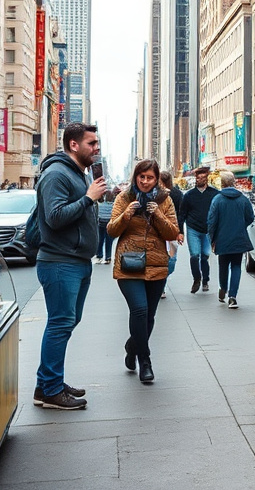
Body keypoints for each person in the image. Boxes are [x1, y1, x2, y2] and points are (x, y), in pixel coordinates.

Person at [33, 122, 106, 410]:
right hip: (60, 262)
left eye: (97, 143)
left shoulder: (77, 173)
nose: (96, 148)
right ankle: (50, 390)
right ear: (74, 145)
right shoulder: (56, 174)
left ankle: (47, 383)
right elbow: (54, 217)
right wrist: (88, 198)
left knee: (67, 322)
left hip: (77, 260)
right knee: (60, 323)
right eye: (91, 143)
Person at [108, 159, 179, 382]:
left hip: (157, 264)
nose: (146, 182)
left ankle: (132, 347)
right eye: (142, 177)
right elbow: (111, 230)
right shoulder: (124, 197)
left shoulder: (165, 200)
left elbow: (172, 233)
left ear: (157, 178)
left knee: (149, 316)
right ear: (135, 177)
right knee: (139, 310)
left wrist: (157, 213)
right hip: (129, 264)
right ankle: (145, 361)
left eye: (150, 178)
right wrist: (127, 214)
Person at [206, 171, 253, 307]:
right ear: (234, 182)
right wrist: (241, 226)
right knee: (237, 266)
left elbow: (211, 221)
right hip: (239, 238)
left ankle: (223, 288)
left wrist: (212, 239)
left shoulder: (217, 199)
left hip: (222, 239)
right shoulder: (243, 199)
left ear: (222, 183)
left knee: (223, 265)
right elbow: (250, 217)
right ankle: (233, 296)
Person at [179, 166, 219, 294]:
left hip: (208, 230)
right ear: (195, 179)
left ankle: (205, 280)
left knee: (205, 256)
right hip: (193, 229)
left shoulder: (215, 194)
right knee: (194, 255)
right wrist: (180, 231)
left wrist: (217, 233)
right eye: (198, 177)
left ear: (207, 178)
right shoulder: (189, 195)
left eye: (203, 177)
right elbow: (182, 214)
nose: (200, 179)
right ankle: (197, 278)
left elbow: (219, 214)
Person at [96, 191, 116, 265]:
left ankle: (99, 256)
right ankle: (108, 257)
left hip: (101, 223)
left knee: (100, 240)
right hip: (109, 223)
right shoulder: (113, 205)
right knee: (109, 241)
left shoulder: (100, 204)